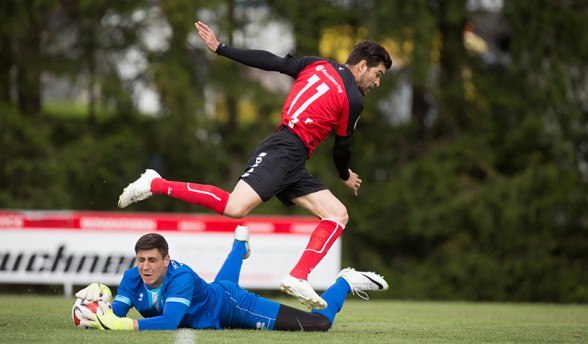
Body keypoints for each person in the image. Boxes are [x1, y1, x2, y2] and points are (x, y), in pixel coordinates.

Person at [117, 20, 392, 310]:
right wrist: (344, 174)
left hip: (292, 157)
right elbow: (342, 148)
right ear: (362, 65)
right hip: (285, 150)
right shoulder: (353, 98)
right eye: (378, 74)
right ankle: (155, 183)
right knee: (235, 208)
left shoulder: (317, 64)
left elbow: (270, 61)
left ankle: (299, 276)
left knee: (337, 214)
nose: (376, 82)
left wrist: (221, 48)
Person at [75, 227, 388, 331]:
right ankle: (239, 246)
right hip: (216, 292)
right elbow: (113, 315)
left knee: (319, 325)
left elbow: (169, 322)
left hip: (233, 307)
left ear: (166, 261)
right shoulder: (131, 278)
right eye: (141, 260)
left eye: (152, 260)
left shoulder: (179, 277)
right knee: (223, 284)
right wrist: (101, 296)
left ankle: (344, 282)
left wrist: (117, 324)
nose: (145, 267)